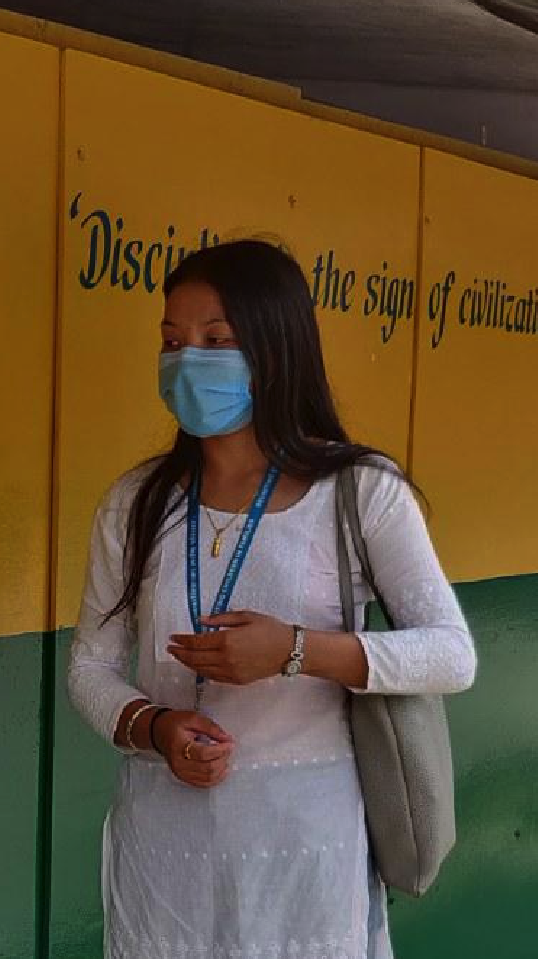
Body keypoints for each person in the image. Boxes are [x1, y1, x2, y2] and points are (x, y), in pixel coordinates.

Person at [68, 239, 477, 958]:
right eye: (171, 340)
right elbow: (89, 667)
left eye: (215, 340)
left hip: (307, 852)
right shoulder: (135, 503)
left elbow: (449, 653)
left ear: (275, 348)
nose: (185, 360)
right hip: (166, 854)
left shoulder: (360, 491)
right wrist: (155, 725)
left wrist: (294, 651)